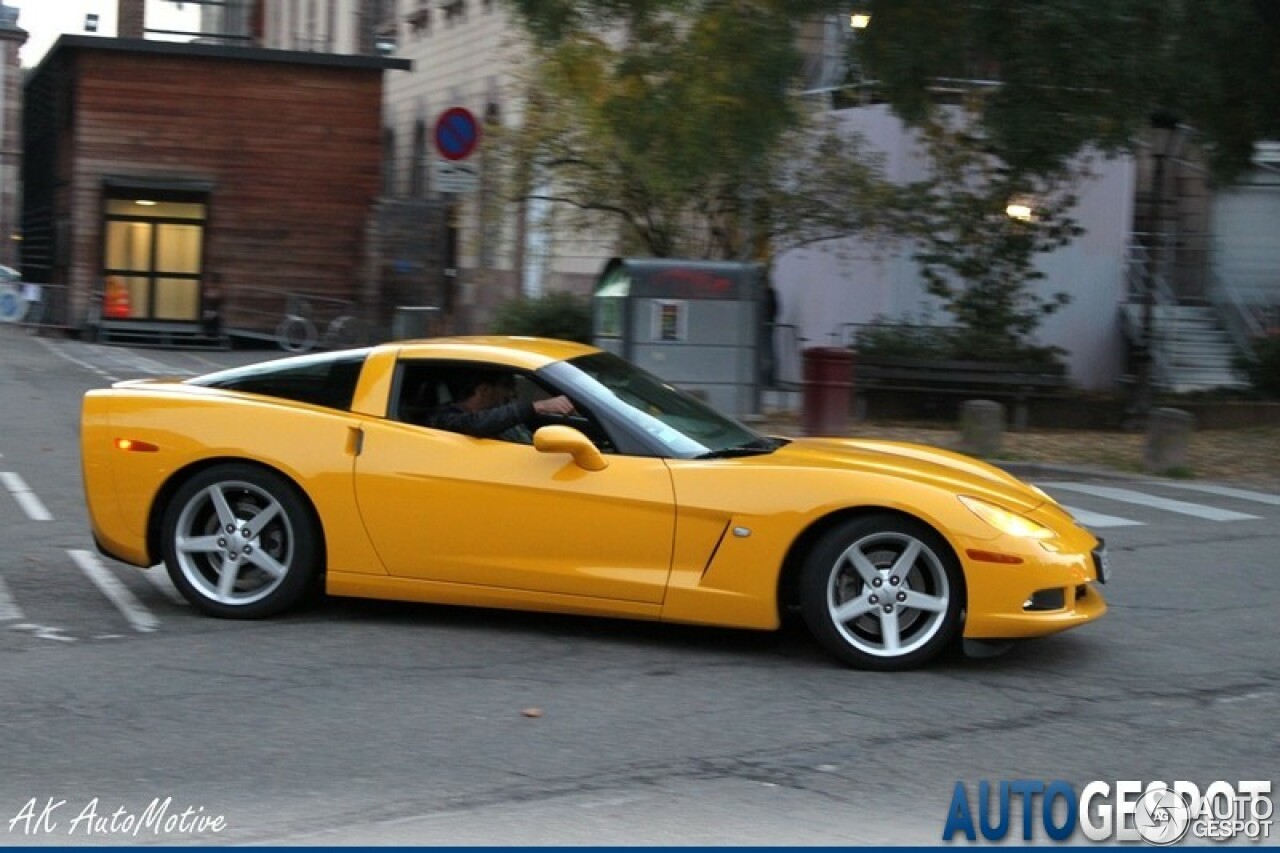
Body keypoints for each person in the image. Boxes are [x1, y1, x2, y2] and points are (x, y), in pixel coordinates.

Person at [428, 370, 575, 440]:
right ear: (484, 390)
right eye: (506, 387)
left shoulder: (500, 415)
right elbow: (477, 424)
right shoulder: (445, 418)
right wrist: (537, 406)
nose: (511, 394)